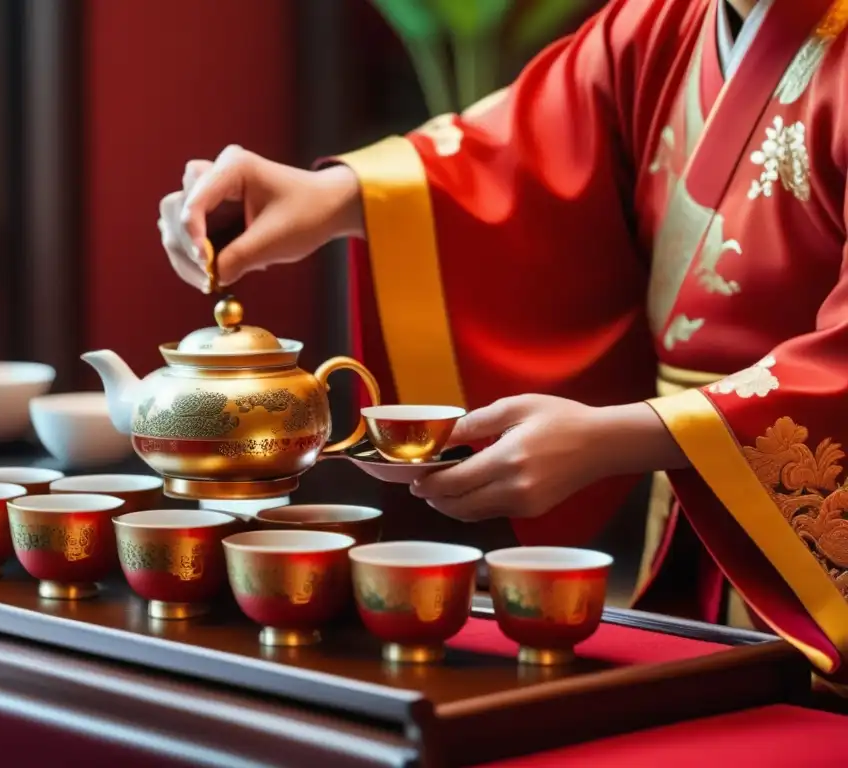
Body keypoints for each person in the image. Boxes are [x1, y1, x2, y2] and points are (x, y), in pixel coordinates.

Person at [158, 0, 848, 684]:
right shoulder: (664, 23)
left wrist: (619, 438)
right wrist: (330, 197)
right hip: (700, 532)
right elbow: (525, 146)